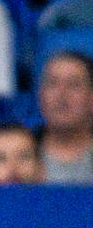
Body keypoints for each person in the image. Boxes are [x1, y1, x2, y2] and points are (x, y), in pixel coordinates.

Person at [36, 50, 93, 183]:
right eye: (52, 84)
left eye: (74, 84)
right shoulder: (21, 152)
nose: (61, 95)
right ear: (40, 95)